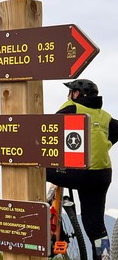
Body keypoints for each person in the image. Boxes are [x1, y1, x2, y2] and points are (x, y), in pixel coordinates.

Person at [46, 79, 118, 260]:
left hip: (79, 174)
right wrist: (104, 144)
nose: (69, 95)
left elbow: (46, 129)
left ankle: (42, 211)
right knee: (96, 227)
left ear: (77, 94)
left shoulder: (72, 108)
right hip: (102, 175)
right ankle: (104, 257)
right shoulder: (105, 116)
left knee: (37, 170)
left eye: (71, 92)